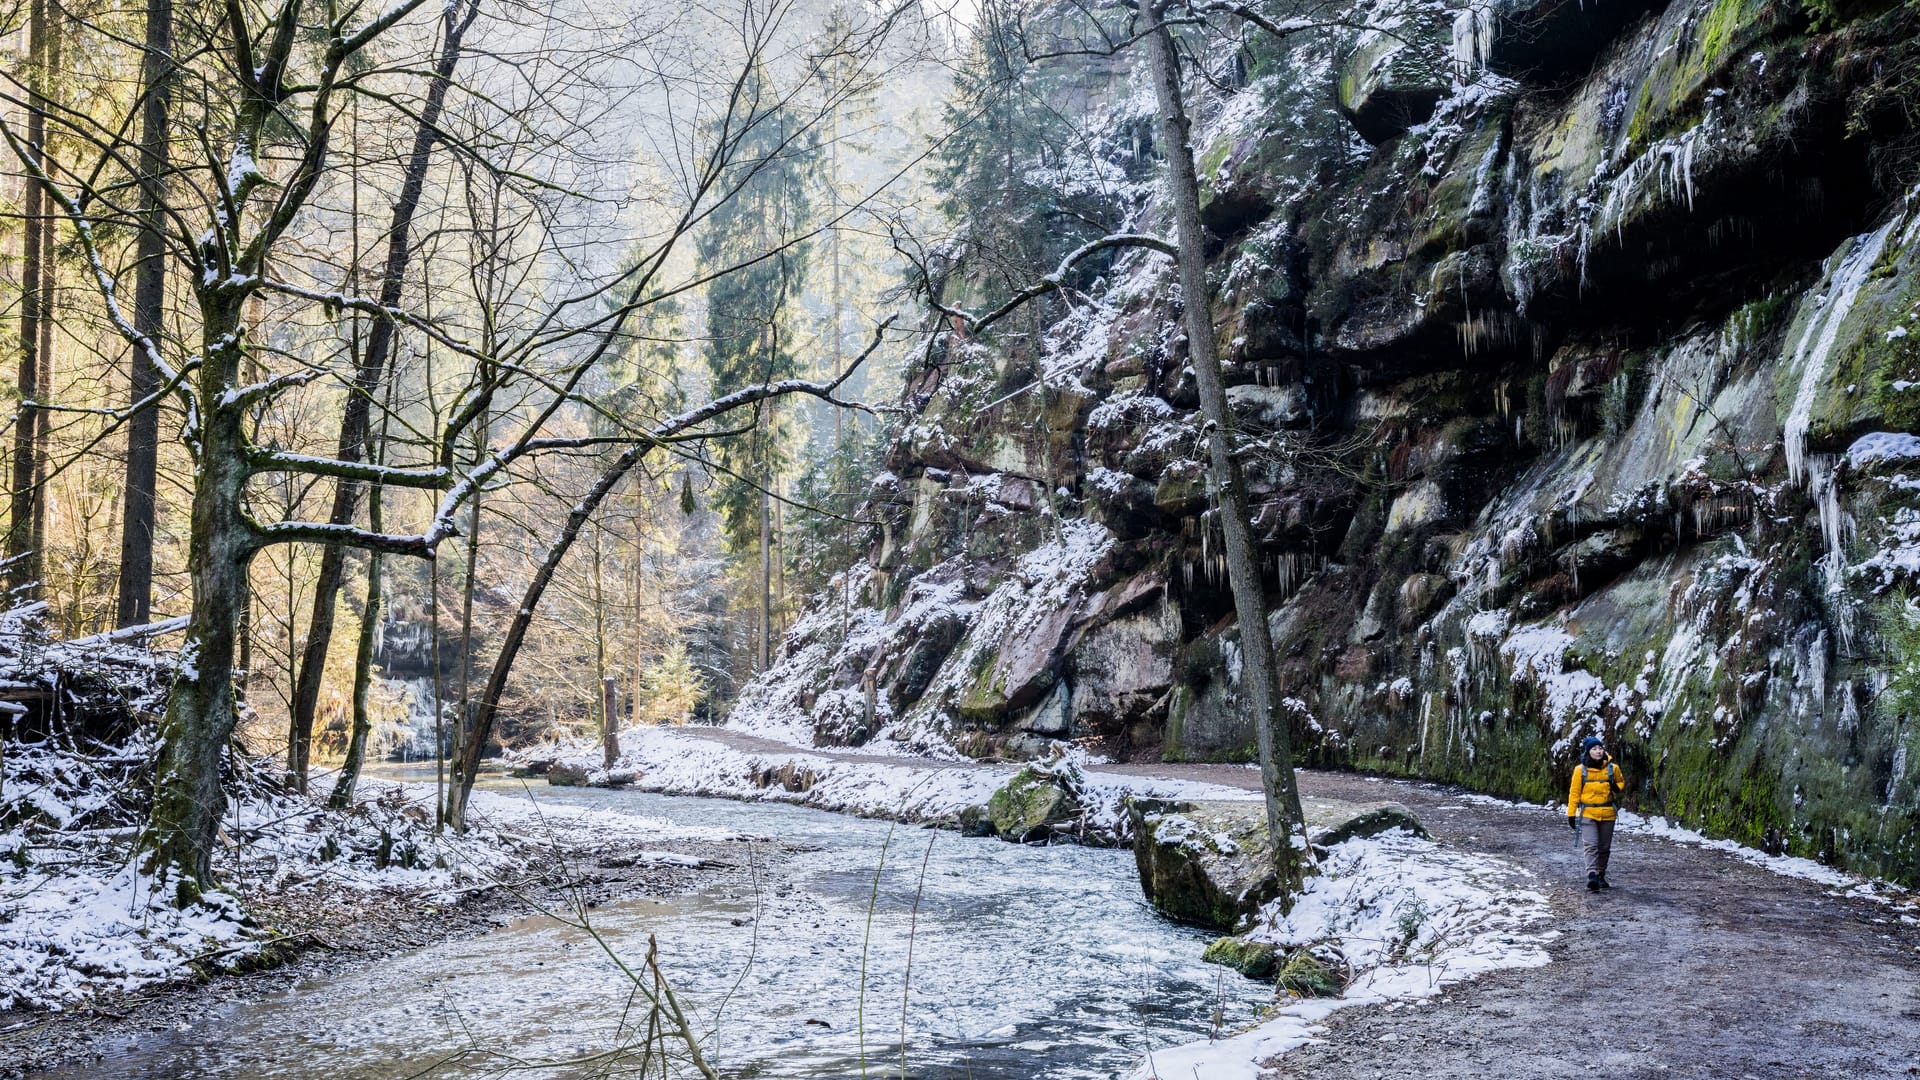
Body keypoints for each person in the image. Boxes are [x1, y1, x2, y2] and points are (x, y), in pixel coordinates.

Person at [1566, 735, 1623, 891]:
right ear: (1588, 752)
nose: (1598, 751)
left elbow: (1621, 782)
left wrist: (1615, 787)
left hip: (1608, 813)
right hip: (1588, 813)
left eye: (1600, 748)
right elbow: (1574, 793)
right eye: (1594, 749)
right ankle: (1592, 875)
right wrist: (1571, 814)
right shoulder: (1580, 770)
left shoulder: (1613, 768)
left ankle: (1601, 874)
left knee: (1604, 847)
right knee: (1591, 845)